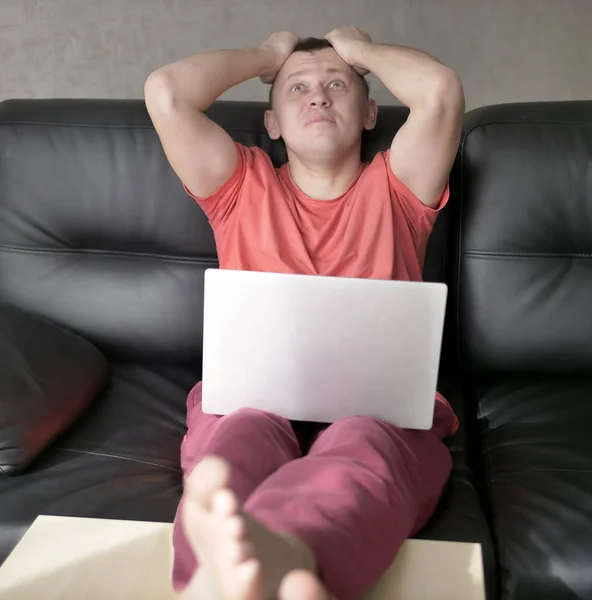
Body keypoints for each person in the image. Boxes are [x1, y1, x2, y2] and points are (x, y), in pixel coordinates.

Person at [144, 26, 464, 600]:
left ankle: (284, 558)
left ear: (369, 113)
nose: (318, 96)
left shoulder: (399, 185)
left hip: (378, 409)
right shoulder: (239, 184)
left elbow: (439, 89)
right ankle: (228, 573)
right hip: (251, 399)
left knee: (365, 443)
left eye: (337, 85)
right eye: (297, 89)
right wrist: (269, 56)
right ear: (272, 124)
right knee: (240, 436)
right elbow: (166, 92)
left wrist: (359, 51)